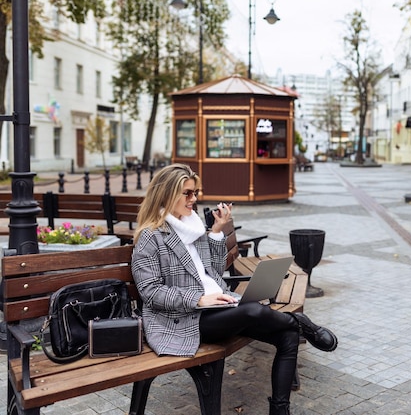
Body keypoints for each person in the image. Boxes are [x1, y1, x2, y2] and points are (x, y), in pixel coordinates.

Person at [131, 163, 337, 415]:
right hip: (183, 319)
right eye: (187, 193)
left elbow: (214, 272)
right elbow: (150, 292)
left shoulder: (192, 225)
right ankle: (301, 321)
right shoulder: (150, 237)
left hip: (217, 306)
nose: (193, 199)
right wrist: (199, 300)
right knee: (254, 311)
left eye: (194, 192)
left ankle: (280, 409)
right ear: (166, 193)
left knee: (287, 335)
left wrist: (216, 231)